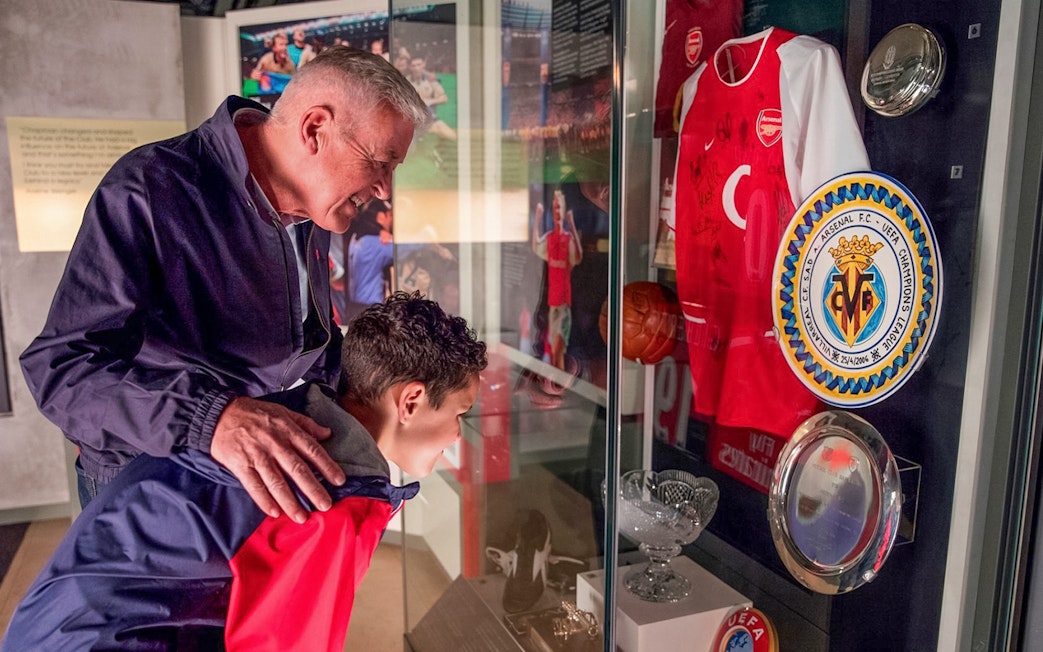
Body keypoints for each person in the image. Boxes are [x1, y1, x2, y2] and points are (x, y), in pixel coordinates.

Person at [19, 47, 432, 525]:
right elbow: (62, 370)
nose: (384, 189)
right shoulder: (150, 189)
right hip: (145, 481)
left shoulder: (312, 203)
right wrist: (211, 418)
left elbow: (309, 339)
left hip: (233, 471)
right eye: (380, 163)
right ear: (315, 129)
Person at [2, 292, 488, 652]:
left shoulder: (272, 416)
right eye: (459, 415)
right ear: (411, 400)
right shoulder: (329, 496)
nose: (457, 435)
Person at [531, 189, 582, 374]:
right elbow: (536, 247)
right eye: (555, 208)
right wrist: (537, 218)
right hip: (552, 301)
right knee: (554, 344)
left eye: (560, 207)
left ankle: (558, 378)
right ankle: (556, 378)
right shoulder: (550, 238)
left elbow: (577, 257)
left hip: (564, 301)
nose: (557, 211)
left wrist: (572, 224)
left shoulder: (567, 239)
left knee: (560, 343)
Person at [345, 199, 395, 322]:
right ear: (380, 217)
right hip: (370, 309)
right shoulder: (375, 242)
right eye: (390, 215)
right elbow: (403, 249)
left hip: (355, 306)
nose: (393, 220)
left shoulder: (357, 238)